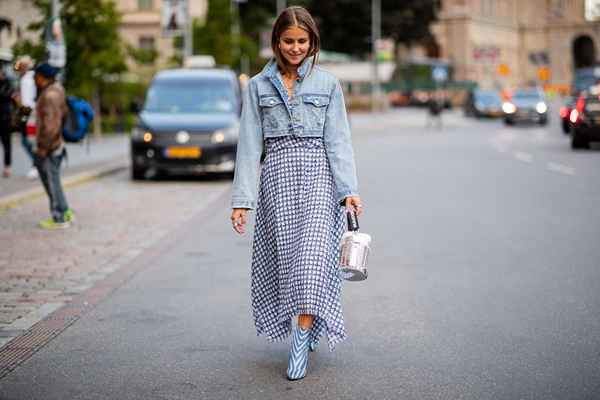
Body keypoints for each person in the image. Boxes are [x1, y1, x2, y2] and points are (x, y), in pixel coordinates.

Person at [230, 6, 363, 381]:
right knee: (289, 265)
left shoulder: (328, 84)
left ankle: (301, 340)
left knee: (310, 264)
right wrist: (242, 201)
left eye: (302, 41)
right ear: (275, 42)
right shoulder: (257, 86)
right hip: (277, 183)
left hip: (320, 179)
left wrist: (348, 190)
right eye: (288, 41)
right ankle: (309, 320)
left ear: (312, 43)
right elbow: (249, 145)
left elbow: (339, 141)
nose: (295, 47)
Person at [33, 62, 72, 229]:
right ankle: (64, 210)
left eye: (36, 76)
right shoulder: (58, 90)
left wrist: (42, 148)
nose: (34, 79)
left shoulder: (50, 96)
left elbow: (50, 126)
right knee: (54, 180)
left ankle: (59, 217)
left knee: (52, 181)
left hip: (51, 146)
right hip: (57, 143)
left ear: (42, 77)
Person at [13, 55, 38, 179]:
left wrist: (18, 102)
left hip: (28, 113)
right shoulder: (30, 77)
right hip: (30, 112)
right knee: (29, 141)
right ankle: (37, 164)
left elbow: (27, 102)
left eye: (20, 66)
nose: (18, 68)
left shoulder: (26, 80)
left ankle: (36, 165)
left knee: (28, 141)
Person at [0, 69, 14, 178]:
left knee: (6, 143)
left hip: (5, 118)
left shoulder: (8, 83)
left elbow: (8, 96)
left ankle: (7, 167)